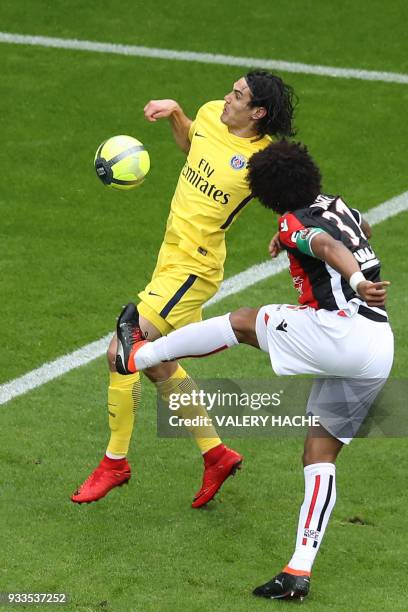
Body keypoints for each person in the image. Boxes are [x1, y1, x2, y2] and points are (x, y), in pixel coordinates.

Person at [113, 140, 394, 599]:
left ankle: (138, 354)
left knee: (242, 321)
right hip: (377, 346)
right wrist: (296, 243)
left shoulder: (294, 222)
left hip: (338, 333)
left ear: (265, 191)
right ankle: (297, 572)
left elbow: (323, 243)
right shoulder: (334, 205)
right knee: (319, 457)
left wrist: (352, 275)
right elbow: (353, 227)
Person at [71, 71, 296, 507]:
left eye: (238, 95)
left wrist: (288, 235)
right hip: (170, 253)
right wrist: (176, 112)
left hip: (194, 267)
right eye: (231, 91)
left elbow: (295, 198)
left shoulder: (263, 160)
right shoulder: (213, 114)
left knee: (123, 349)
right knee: (159, 366)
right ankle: (216, 454)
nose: (227, 98)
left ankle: (114, 462)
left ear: (259, 112)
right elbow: (193, 143)